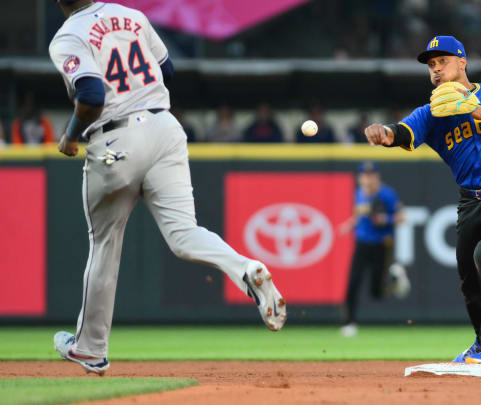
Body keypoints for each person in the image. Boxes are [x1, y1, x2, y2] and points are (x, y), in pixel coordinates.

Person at [48, 0, 286, 375]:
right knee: (185, 235)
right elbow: (167, 70)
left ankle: (91, 349)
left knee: (104, 245)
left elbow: (92, 95)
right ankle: (245, 268)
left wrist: (70, 135)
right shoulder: (131, 15)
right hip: (164, 126)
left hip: (115, 140)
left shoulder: (67, 35)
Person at [363, 35, 481, 376]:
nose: (436, 70)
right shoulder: (433, 114)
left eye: (443, 62)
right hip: (471, 204)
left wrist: (478, 110)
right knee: (468, 277)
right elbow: (402, 133)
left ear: (462, 63)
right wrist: (384, 132)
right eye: (431, 66)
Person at [338, 161, 410, 337]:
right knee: (353, 283)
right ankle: (349, 323)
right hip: (362, 242)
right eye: (364, 175)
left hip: (381, 243)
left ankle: (394, 277)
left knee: (376, 291)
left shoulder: (387, 194)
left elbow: (402, 218)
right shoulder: (359, 194)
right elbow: (360, 215)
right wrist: (349, 224)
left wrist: (384, 219)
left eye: (371, 175)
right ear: (360, 177)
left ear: (377, 176)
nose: (367, 178)